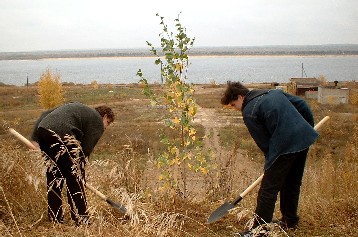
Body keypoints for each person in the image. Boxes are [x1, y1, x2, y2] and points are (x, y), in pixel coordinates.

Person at [220, 82, 319, 237]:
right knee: (292, 182)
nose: (235, 108)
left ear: (240, 97)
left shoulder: (249, 111)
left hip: (284, 145)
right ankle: (290, 221)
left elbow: (265, 143)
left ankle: (258, 231)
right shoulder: (272, 93)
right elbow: (302, 105)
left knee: (268, 189)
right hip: (304, 138)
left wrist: (271, 163)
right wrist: (306, 128)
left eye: (234, 104)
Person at [31, 102, 114, 225]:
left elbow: (46, 115)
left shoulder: (83, 112)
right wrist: (81, 175)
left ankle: (55, 218)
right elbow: (85, 150)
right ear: (105, 116)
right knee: (73, 178)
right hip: (60, 134)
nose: (105, 127)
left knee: (54, 176)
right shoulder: (97, 120)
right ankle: (82, 219)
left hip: (43, 131)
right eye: (108, 123)